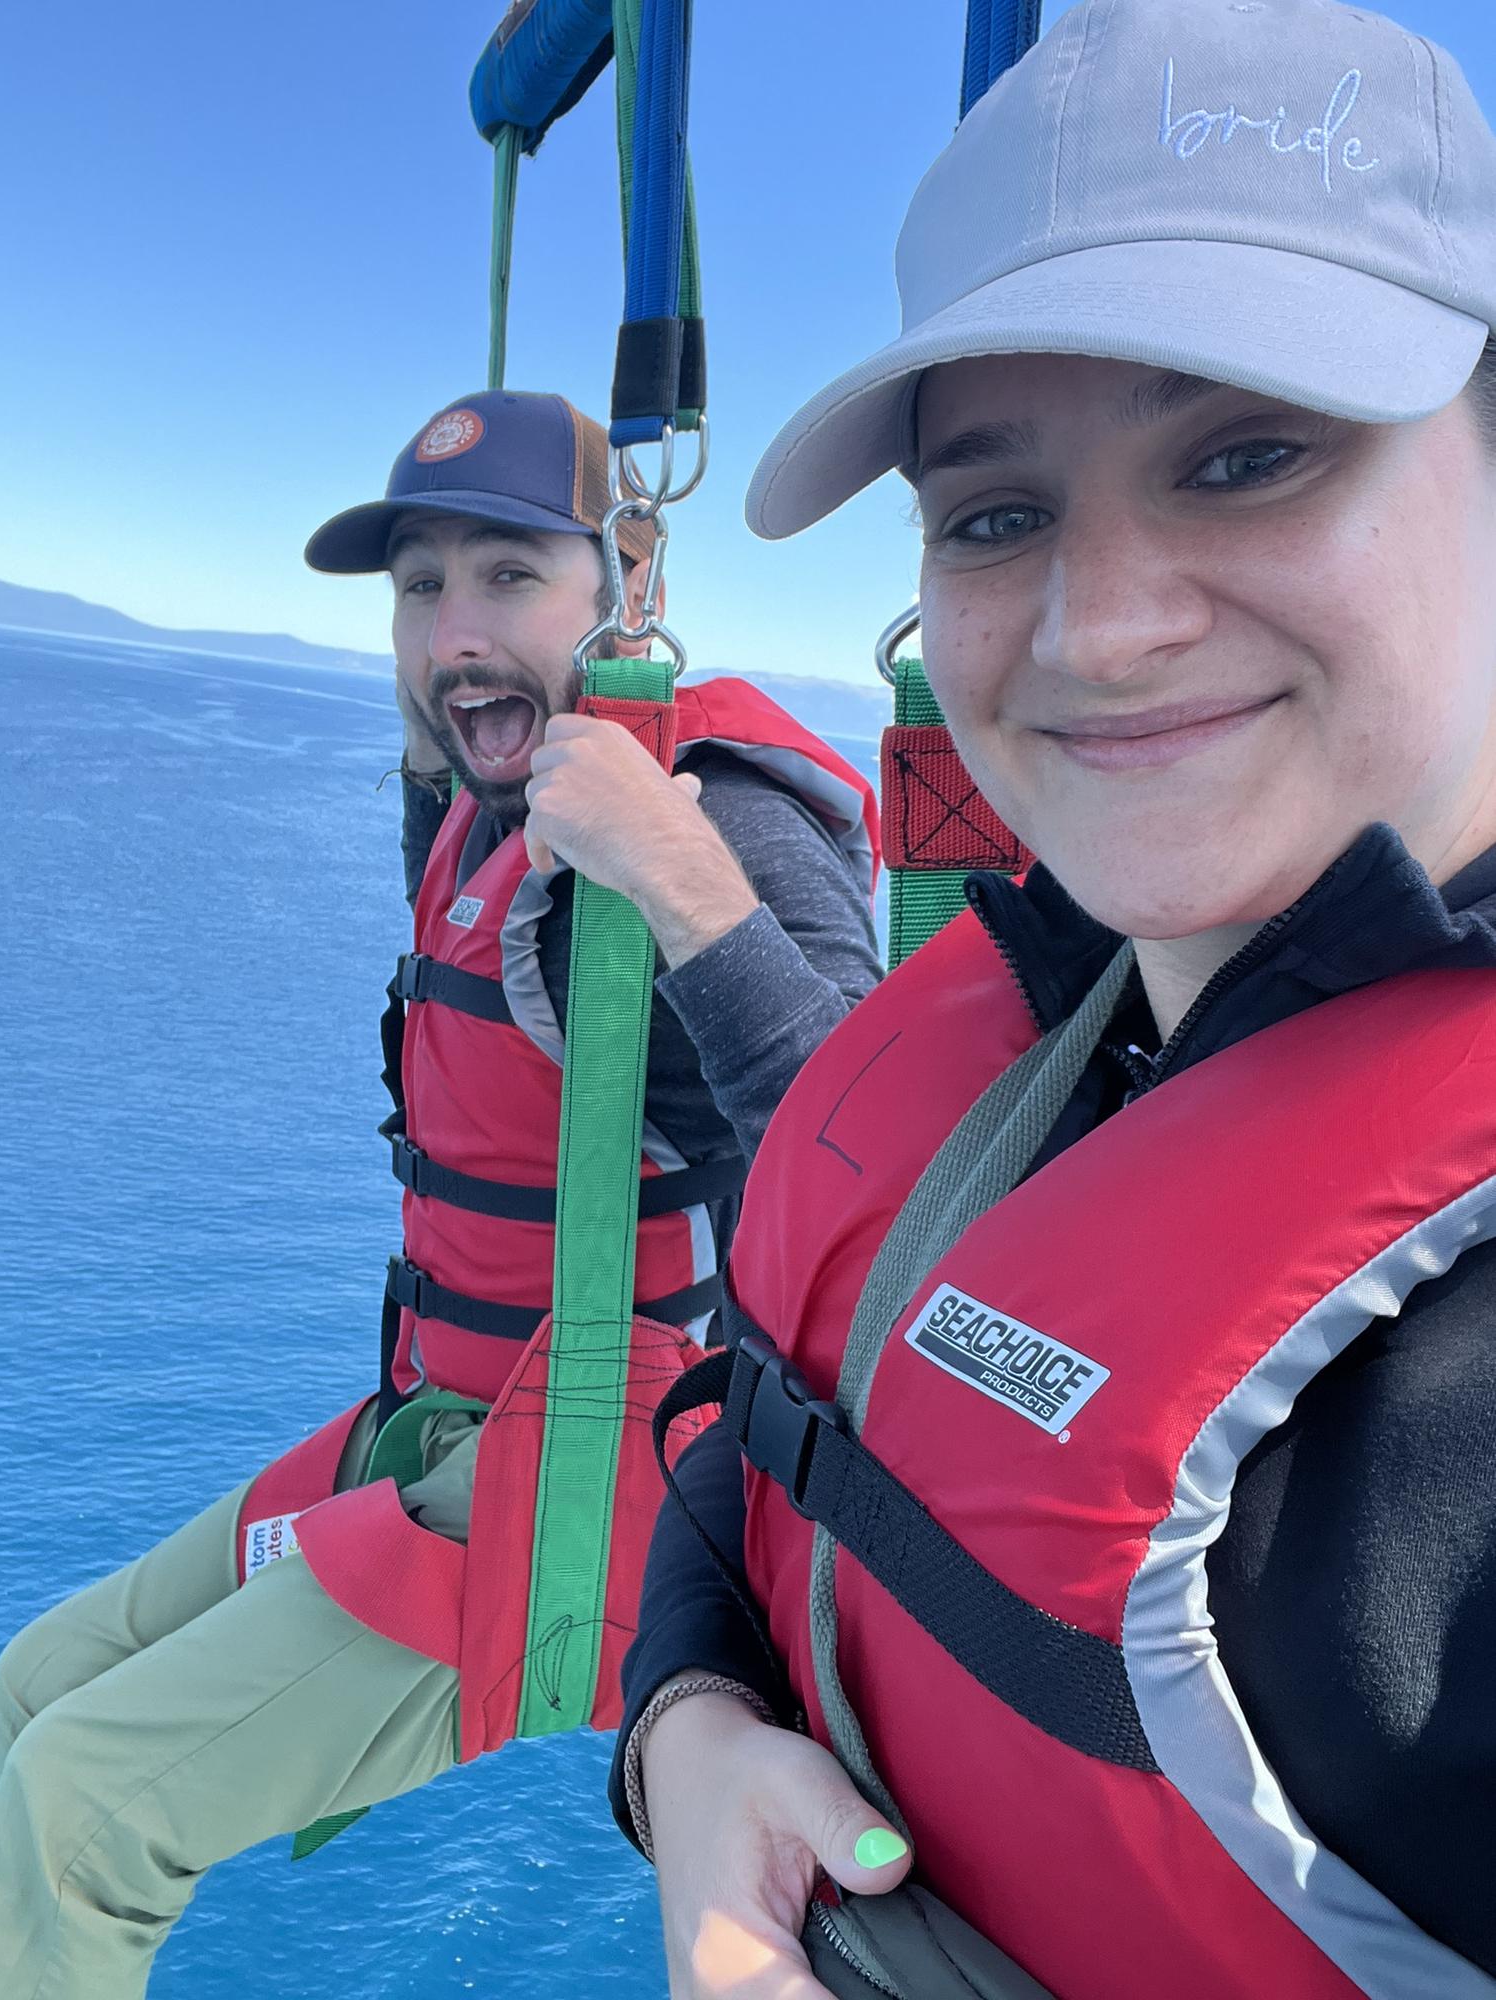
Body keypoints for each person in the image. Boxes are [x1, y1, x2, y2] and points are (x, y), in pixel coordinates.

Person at [615, 2, 1496, 1995]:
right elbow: (768, 1418)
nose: (1104, 629)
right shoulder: (1064, 1004)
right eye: (998, 512)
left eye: (1251, 454)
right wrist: (686, 1736)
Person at [0, 389, 883, 2000]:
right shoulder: (493, 795)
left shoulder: (718, 805)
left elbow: (879, 1169)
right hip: (443, 1425)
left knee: (70, 1816)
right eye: (422, 590)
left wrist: (672, 868)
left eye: (508, 577)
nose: (457, 632)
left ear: (629, 585)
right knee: (28, 1693)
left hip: (594, 1498)